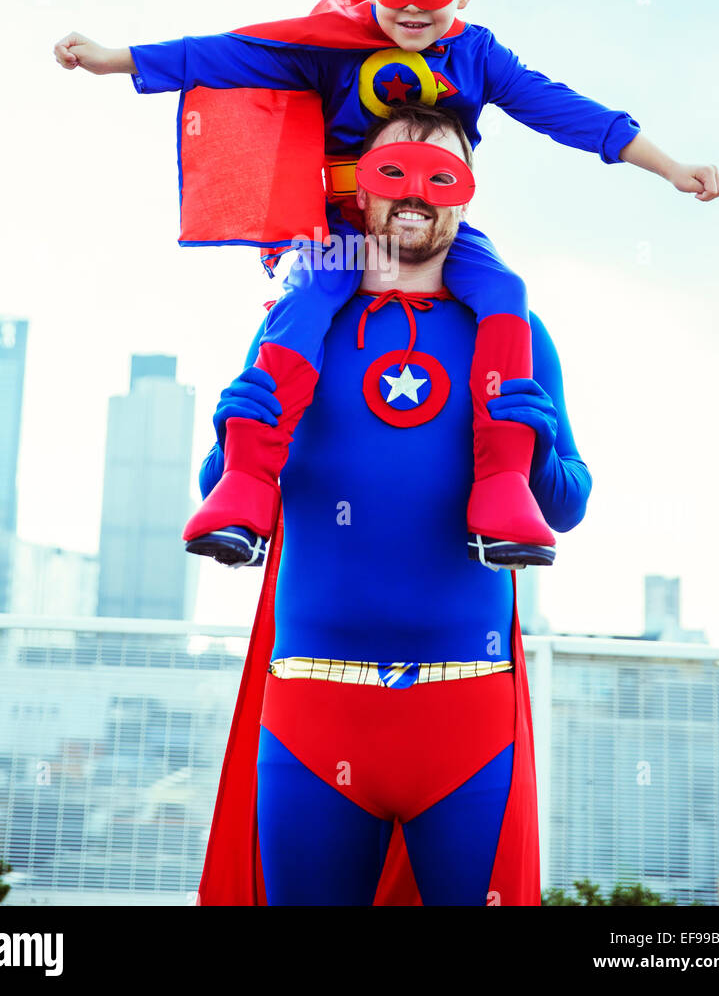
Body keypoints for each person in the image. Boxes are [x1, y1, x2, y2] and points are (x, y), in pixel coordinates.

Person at [53, 0, 719, 569]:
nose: (410, 9)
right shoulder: (327, 48)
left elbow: (562, 109)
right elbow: (226, 53)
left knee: (506, 293)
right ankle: (246, 483)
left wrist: (669, 166)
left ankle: (503, 486)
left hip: (438, 229)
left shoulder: (477, 56)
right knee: (305, 302)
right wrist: (116, 58)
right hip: (343, 232)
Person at [195, 101, 592, 907]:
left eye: (440, 172)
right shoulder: (295, 326)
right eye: (394, 167)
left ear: (465, 194)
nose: (414, 192)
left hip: (468, 712)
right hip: (312, 710)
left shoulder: (515, 331)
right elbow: (226, 496)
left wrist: (539, 442)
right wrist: (231, 426)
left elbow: (566, 504)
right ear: (360, 186)